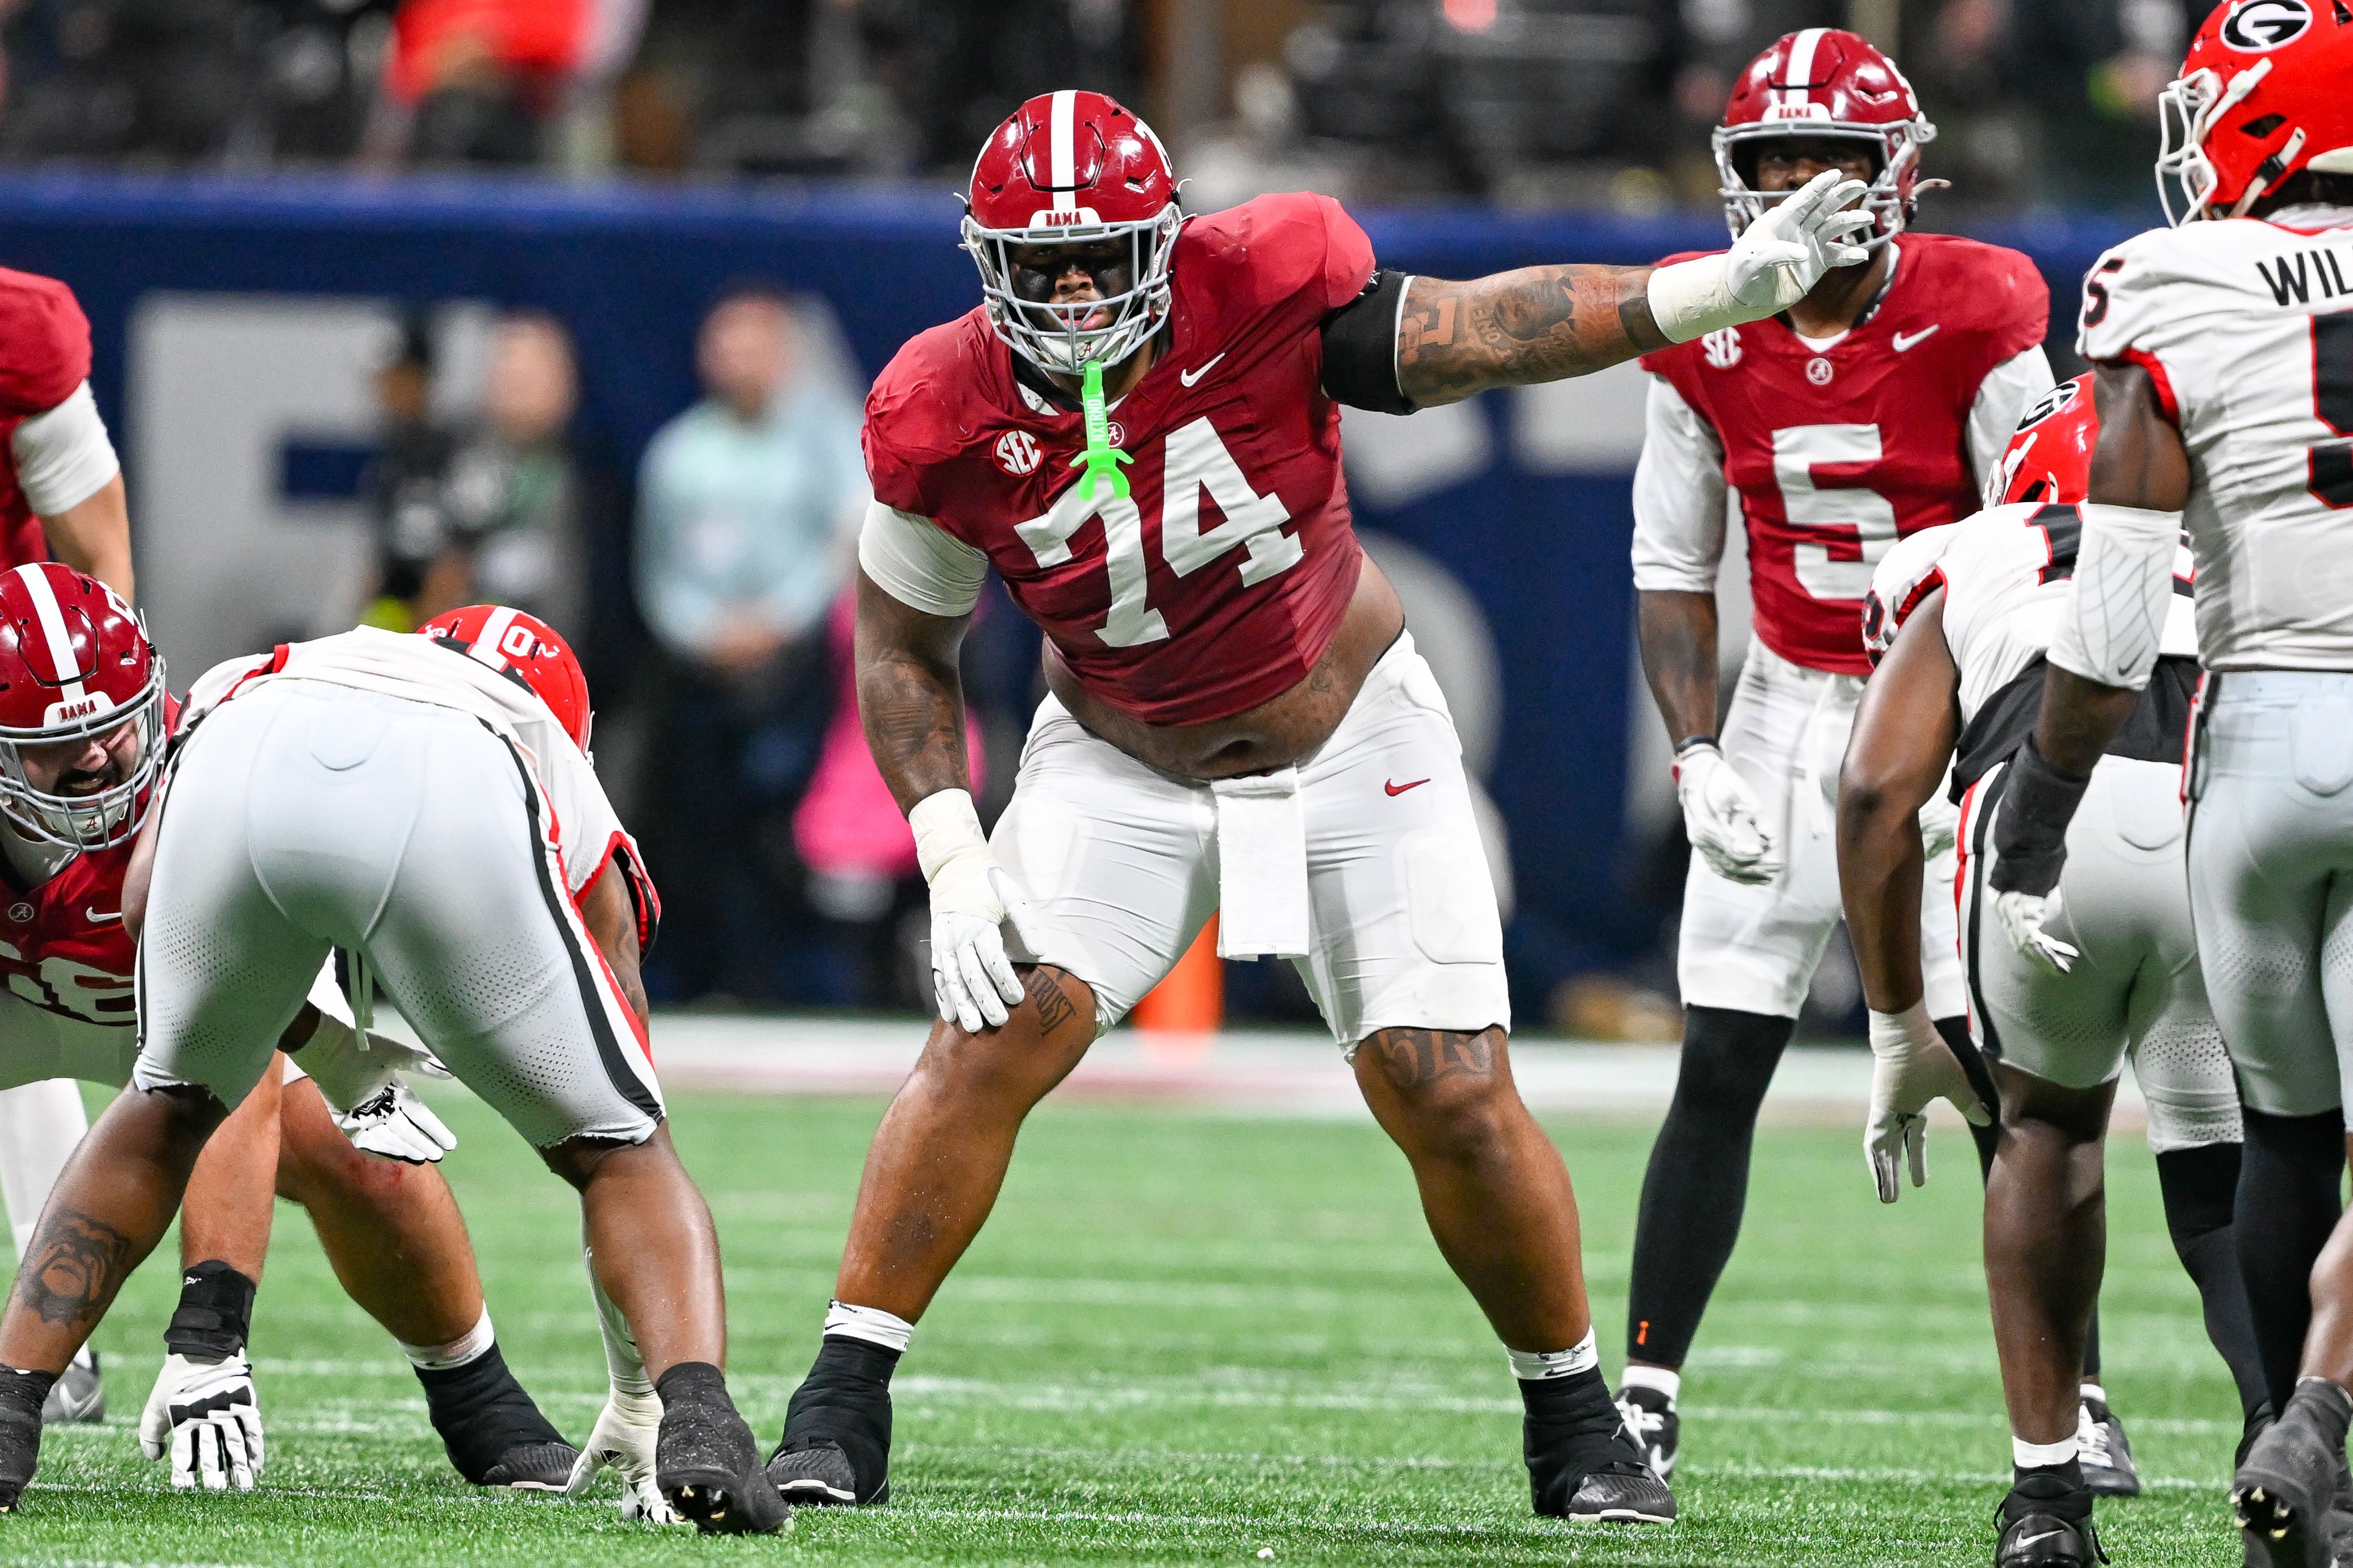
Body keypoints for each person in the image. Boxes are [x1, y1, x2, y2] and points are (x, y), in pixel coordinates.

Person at [761, 87, 1876, 1525]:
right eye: (1042, 266)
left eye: (1102, 256)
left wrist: (1704, 293)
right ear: (988, 265)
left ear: (1167, 243)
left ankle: (1575, 1419)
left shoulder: (1263, 283)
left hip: (1349, 734)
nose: (1077, 292)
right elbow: (904, 648)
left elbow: (1488, 328)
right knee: (988, 1039)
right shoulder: (938, 407)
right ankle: (838, 1402)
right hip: (1119, 761)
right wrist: (948, 848)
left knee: (1445, 1084)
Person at [0, 599, 782, 1532]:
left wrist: (311, 1045)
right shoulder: (535, 736)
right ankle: (701, 1423)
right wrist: (639, 1392)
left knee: (165, 1108)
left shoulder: (251, 673)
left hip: (247, 754)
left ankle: (10, 1407)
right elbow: (624, 1098)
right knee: (622, 1150)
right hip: (445, 787)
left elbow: (142, 906)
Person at [1611, 25, 2109, 1486]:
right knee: (1720, 1056)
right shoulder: (1702, 323)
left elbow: (2043, 528)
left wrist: (2005, 745)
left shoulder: (1974, 302)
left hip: (1947, 702)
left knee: (1999, 1072)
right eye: (1773, 165)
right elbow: (1669, 565)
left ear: (1894, 170)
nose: (1800, 190)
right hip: (1783, 707)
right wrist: (1694, 752)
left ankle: (2074, 1396)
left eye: (1827, 160)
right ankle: (1644, 1393)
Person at [1976, 13, 2353, 1562]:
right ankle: (2316, 1412)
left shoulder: (2165, 277)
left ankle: (2285, 1487)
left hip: (2251, 742)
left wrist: (2041, 796)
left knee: (2284, 1139)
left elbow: (2117, 603)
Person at [0, 566, 580, 1495]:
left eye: (113, 724)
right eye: (57, 744)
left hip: (170, 1010)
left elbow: (238, 1051)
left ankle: (480, 1396)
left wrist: (210, 1334)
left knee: (360, 1158)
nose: (101, 756)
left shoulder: (212, 776)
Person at [1841, 379, 2264, 1567]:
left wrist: (1896, 1023)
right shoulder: (2236, 545)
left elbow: (1874, 791)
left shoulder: (1963, 551)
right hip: (2218, 820)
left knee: (2046, 1135)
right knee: (2228, 1156)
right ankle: (2287, 1438)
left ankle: (2046, 1501)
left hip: (2047, 828)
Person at [0, 262, 147, 1427]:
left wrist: (76, 741)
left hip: (14, 694)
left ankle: (51, 1334)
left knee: (29, 964)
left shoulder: (20, 331)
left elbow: (98, 566)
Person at [633, 286, 867, 1000]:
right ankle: (702, 980)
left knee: (784, 829)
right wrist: (704, 632)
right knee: (697, 828)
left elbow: (839, 550)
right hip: (699, 673)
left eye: (756, 347)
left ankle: (782, 983)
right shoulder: (678, 454)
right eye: (727, 346)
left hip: (790, 672)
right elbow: (658, 568)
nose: (741, 362)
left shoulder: (815, 452)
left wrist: (777, 623)